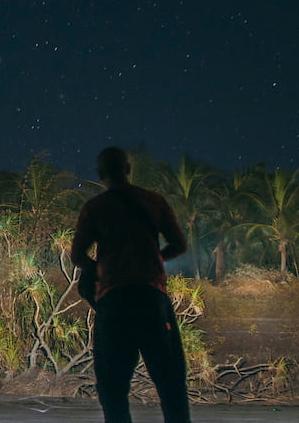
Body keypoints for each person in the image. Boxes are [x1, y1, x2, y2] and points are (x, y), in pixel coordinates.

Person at [71, 147, 191, 423]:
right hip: (151, 298)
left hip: (114, 303)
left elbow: (77, 255)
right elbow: (179, 244)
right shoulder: (154, 201)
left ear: (101, 175)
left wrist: (98, 268)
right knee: (171, 383)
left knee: (112, 389)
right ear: (127, 169)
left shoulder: (95, 208)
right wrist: (154, 259)